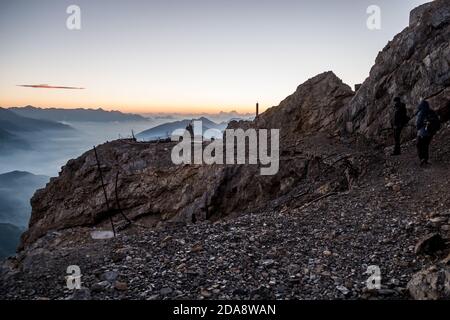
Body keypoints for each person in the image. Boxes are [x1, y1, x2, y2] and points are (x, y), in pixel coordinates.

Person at [416, 100, 440, 166]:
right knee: (426, 146)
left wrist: (418, 128)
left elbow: (418, 123)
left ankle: (422, 159)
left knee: (419, 145)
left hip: (422, 132)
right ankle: (425, 159)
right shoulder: (431, 112)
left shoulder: (421, 112)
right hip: (430, 133)